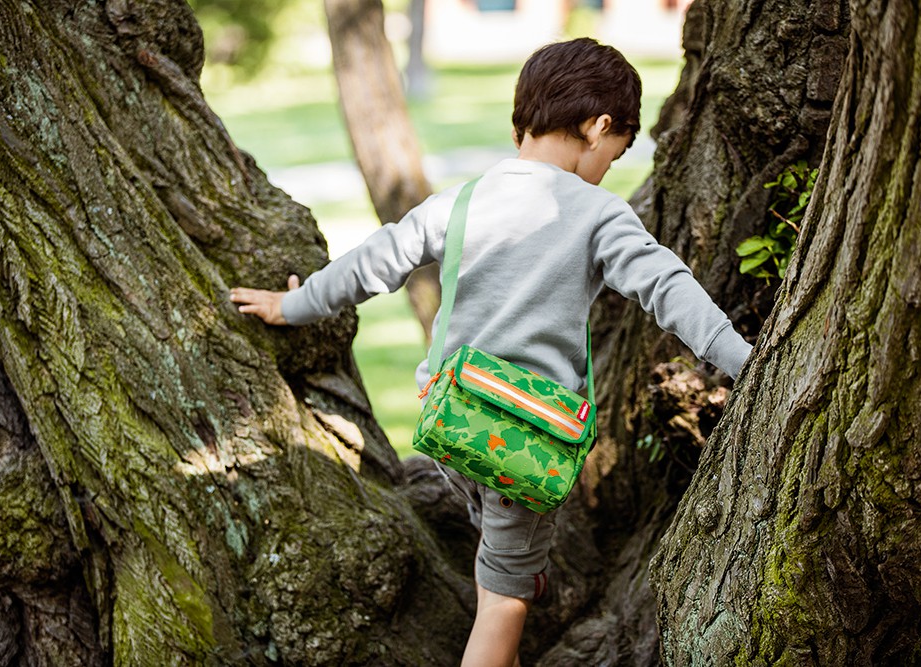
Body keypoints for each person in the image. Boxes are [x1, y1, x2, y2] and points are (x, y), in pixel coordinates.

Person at [230, 37, 751, 667]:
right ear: (598, 126)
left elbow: (377, 260)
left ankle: (511, 558)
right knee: (502, 602)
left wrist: (293, 305)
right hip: (519, 437)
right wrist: (743, 360)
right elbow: (667, 287)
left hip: (449, 419)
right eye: (613, 156)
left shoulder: (463, 200)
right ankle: (509, 577)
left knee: (502, 541)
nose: (608, 169)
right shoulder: (598, 214)